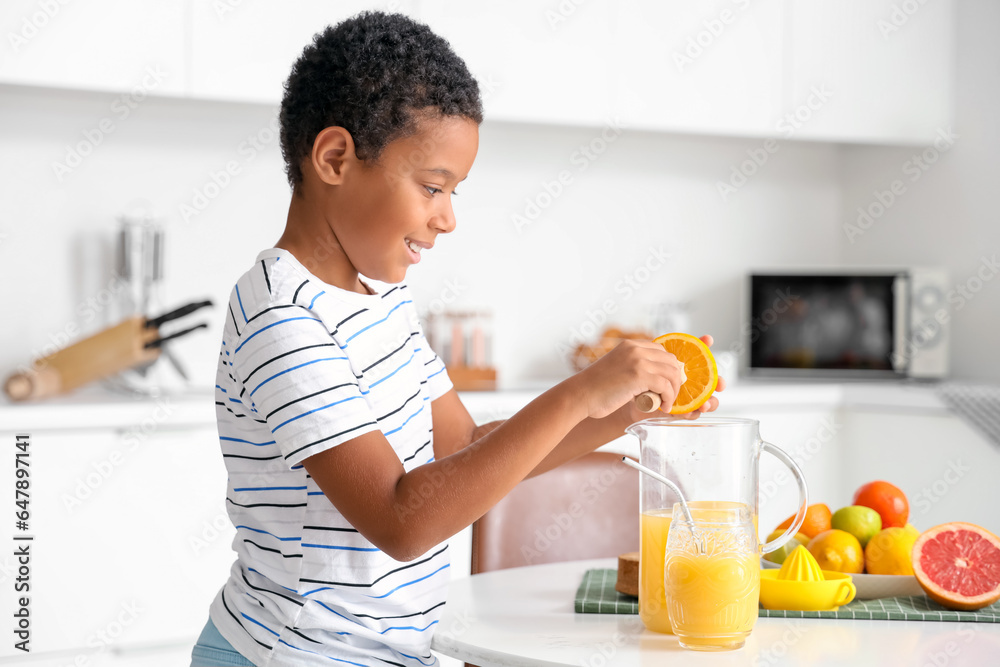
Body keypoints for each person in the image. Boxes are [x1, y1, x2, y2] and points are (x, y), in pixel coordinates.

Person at [191, 11, 724, 667]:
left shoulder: (378, 297)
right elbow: (403, 519)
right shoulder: (282, 315)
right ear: (335, 158)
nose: (447, 217)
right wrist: (580, 391)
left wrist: (626, 410)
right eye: (433, 186)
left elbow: (470, 452)